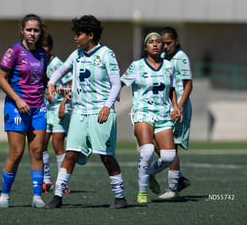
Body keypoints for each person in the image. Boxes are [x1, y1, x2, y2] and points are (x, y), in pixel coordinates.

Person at [45, 15, 127, 209]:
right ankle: (57, 196)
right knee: (70, 153)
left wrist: (107, 106)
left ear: (90, 35)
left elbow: (116, 83)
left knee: (106, 155)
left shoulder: (107, 54)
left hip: (100, 111)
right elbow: (61, 70)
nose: (75, 37)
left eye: (78, 34)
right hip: (80, 112)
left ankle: (120, 197)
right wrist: (51, 83)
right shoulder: (77, 54)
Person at [120, 31, 181, 204]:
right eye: (151, 42)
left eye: (158, 42)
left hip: (163, 114)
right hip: (142, 113)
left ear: (163, 46)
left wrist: (176, 107)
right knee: (147, 151)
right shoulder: (137, 66)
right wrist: (114, 94)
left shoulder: (169, 66)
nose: (155, 44)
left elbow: (173, 89)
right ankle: (142, 193)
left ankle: (151, 173)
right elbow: (121, 82)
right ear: (145, 47)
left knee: (169, 157)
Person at [0, 14, 48, 208]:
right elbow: (1, 78)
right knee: (16, 153)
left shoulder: (42, 54)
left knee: (37, 152)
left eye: (36, 30)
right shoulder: (14, 51)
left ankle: (37, 196)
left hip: (38, 108)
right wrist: (18, 100)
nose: (33, 33)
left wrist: (51, 88)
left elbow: (42, 79)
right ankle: (4, 194)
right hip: (17, 107)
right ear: (22, 31)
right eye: (29, 30)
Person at [157, 26, 192, 199]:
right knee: (160, 143)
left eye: (168, 43)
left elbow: (188, 85)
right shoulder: (162, 58)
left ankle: (174, 188)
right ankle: (179, 178)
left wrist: (179, 106)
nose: (164, 46)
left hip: (179, 108)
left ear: (176, 42)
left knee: (171, 147)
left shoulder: (181, 58)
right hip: (165, 107)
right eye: (162, 43)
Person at [41, 34, 72, 194]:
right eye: (41, 45)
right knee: (41, 145)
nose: (43, 48)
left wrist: (63, 104)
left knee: (58, 146)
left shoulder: (57, 63)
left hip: (59, 109)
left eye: (46, 46)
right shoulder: (39, 62)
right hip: (45, 109)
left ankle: (62, 182)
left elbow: (71, 84)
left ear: (50, 47)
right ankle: (46, 180)